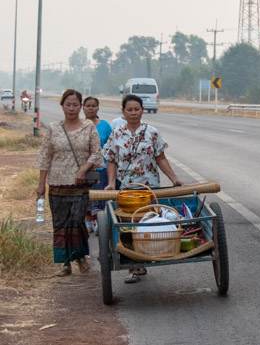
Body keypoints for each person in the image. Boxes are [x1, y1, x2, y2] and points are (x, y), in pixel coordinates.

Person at [103, 94, 182, 283]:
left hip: (149, 187)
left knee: (147, 223)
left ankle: (150, 254)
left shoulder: (152, 132)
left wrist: (174, 178)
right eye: (129, 109)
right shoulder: (117, 133)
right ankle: (134, 266)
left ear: (142, 110)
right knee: (129, 226)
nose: (133, 113)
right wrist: (112, 183)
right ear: (123, 112)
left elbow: (160, 158)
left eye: (136, 109)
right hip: (127, 190)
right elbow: (112, 160)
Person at [36, 89, 103, 277]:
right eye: (68, 104)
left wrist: (83, 169)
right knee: (60, 224)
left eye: (75, 104)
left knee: (76, 222)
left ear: (80, 107)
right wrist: (41, 184)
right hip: (57, 185)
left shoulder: (88, 127)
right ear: (62, 106)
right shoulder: (53, 128)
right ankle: (64, 263)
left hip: (79, 186)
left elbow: (97, 153)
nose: (72, 108)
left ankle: (80, 258)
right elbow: (44, 157)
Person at [82, 96, 112, 233]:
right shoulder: (78, 125)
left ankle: (100, 220)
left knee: (100, 195)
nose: (91, 108)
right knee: (85, 195)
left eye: (94, 105)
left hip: (101, 167)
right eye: (88, 105)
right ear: (83, 107)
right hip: (83, 168)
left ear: (98, 108)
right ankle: (88, 218)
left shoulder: (105, 125)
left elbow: (112, 147)